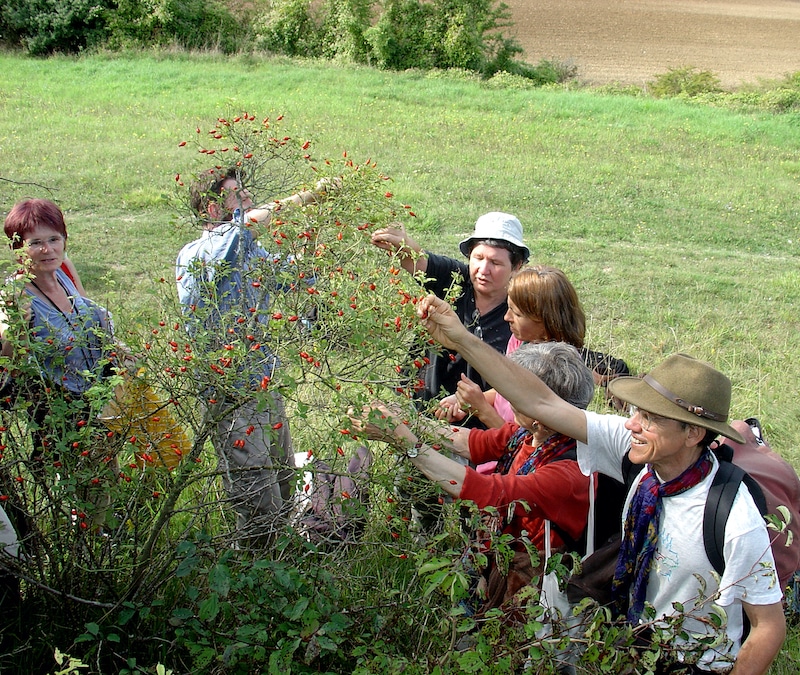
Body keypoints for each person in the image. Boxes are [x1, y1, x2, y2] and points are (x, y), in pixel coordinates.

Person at [415, 294, 786, 675]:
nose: (632, 424)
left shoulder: (732, 517)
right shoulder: (635, 452)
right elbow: (540, 401)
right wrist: (461, 338)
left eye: (651, 418)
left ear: (693, 433)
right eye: (637, 411)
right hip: (630, 649)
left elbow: (768, 626)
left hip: (693, 665)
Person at [356, 341, 595, 615]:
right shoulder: (535, 435)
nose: (506, 396)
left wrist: (406, 442)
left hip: (537, 592)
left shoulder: (567, 472)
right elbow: (472, 442)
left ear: (539, 410)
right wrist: (407, 421)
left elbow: (486, 491)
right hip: (506, 564)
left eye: (514, 392)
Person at [176, 166, 329, 547]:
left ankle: (280, 565)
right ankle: (254, 577)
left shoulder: (248, 251)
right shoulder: (202, 253)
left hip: (264, 386)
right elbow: (251, 224)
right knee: (257, 500)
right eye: (235, 193)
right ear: (211, 209)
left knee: (283, 481)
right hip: (229, 396)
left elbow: (297, 280)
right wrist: (312, 195)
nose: (246, 199)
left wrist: (318, 240)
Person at [1, 198, 119, 528]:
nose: (47, 249)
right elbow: (7, 359)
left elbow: (90, 315)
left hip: (95, 403)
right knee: (89, 498)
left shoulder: (62, 276)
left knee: (106, 488)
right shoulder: (16, 295)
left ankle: (102, 549)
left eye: (54, 239)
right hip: (61, 416)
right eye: (35, 242)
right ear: (18, 248)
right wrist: (13, 332)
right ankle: (87, 560)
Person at [371, 212, 529, 423]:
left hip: (479, 428)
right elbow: (418, 260)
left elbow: (521, 383)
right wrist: (400, 242)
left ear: (516, 267)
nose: (483, 270)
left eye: (496, 263)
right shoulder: (456, 280)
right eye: (478, 258)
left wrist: (470, 402)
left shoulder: (520, 314)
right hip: (420, 408)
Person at [436, 265, 630, 430]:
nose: (506, 317)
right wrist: (464, 401)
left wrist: (482, 410)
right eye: (508, 308)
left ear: (545, 319)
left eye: (517, 314)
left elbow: (525, 444)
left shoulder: (557, 372)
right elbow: (506, 389)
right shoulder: (519, 340)